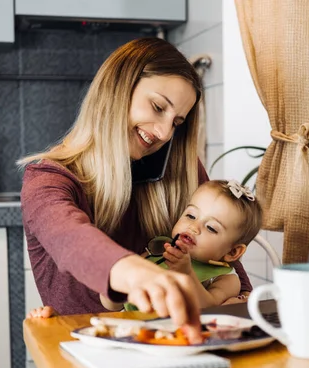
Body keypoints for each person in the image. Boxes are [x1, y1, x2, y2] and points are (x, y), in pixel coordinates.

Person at [19, 37, 253, 341]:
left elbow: (226, 259)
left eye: (177, 122)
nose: (164, 133)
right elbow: (71, 239)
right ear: (117, 89)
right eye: (157, 107)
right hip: (88, 365)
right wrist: (136, 272)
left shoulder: (182, 168)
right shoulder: (47, 179)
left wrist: (242, 295)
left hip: (175, 352)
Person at [99, 179, 263, 311]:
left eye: (211, 228)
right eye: (191, 216)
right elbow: (113, 305)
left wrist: (186, 273)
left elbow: (208, 309)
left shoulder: (226, 279)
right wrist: (117, 280)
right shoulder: (157, 251)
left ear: (233, 252)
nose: (193, 227)